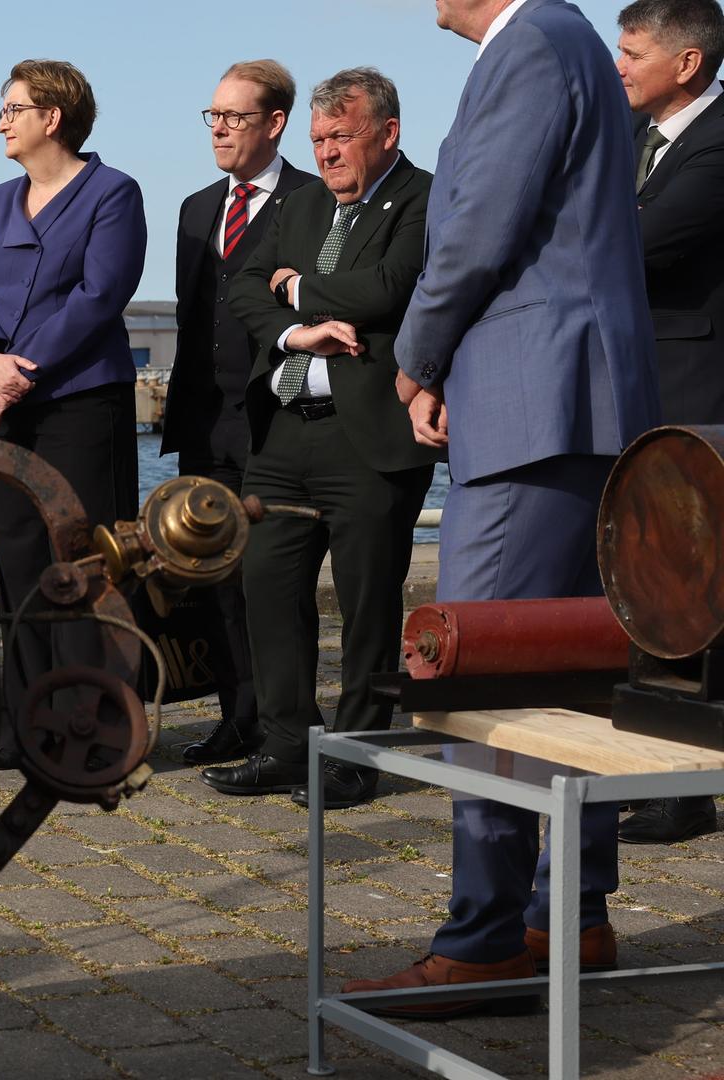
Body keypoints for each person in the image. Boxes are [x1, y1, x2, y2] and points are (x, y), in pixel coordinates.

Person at [353, 0, 661, 1012]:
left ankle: (484, 935)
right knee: (577, 677)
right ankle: (569, 914)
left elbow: (481, 225)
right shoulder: (570, 40)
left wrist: (415, 356)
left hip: (533, 395)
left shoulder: (528, 43)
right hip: (581, 395)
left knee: (475, 671)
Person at [203, 69, 439, 811]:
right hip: (281, 437)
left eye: (342, 138)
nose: (328, 154)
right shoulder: (301, 204)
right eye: (318, 140)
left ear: (387, 134)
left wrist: (294, 285)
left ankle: (359, 756)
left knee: (369, 603)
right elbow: (240, 286)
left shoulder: (425, 199)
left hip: (366, 439)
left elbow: (390, 287)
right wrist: (295, 327)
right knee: (267, 587)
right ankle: (285, 744)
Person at [0, 59, 145, 763]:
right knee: (22, 566)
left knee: (85, 568)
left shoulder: (113, 193)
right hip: (3, 410)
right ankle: (24, 722)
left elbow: (99, 297)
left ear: (51, 118)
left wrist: (16, 375)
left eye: (12, 108)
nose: (1, 121)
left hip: (78, 406)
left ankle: (95, 726)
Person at [167, 60, 320, 767]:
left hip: (277, 422)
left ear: (275, 123)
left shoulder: (313, 201)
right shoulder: (197, 208)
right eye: (213, 116)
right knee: (218, 580)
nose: (219, 129)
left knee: (277, 581)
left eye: (234, 117)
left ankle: (295, 724)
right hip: (206, 424)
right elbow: (193, 321)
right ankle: (240, 718)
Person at [614, 0, 724, 845]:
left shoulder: (716, 147)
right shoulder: (630, 141)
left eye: (633, 52)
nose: (619, 66)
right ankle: (658, 768)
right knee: (646, 574)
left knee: (689, 584)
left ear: (686, 64)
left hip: (694, 394)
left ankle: (685, 787)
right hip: (639, 384)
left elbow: (639, 242)